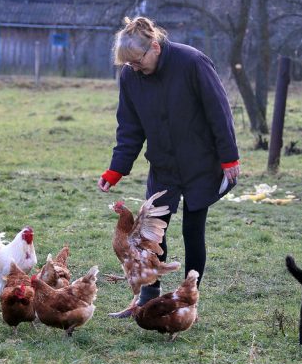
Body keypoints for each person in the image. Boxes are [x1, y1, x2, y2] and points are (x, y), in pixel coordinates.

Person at [98, 16, 240, 312]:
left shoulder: (192, 63)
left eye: (137, 61)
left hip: (201, 163)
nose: (134, 68)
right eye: (129, 64)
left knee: (193, 230)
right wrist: (116, 169)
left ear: (155, 47)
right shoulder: (130, 76)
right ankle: (149, 297)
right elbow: (129, 127)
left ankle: (188, 300)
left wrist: (229, 158)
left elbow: (219, 112)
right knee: (151, 233)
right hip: (163, 165)